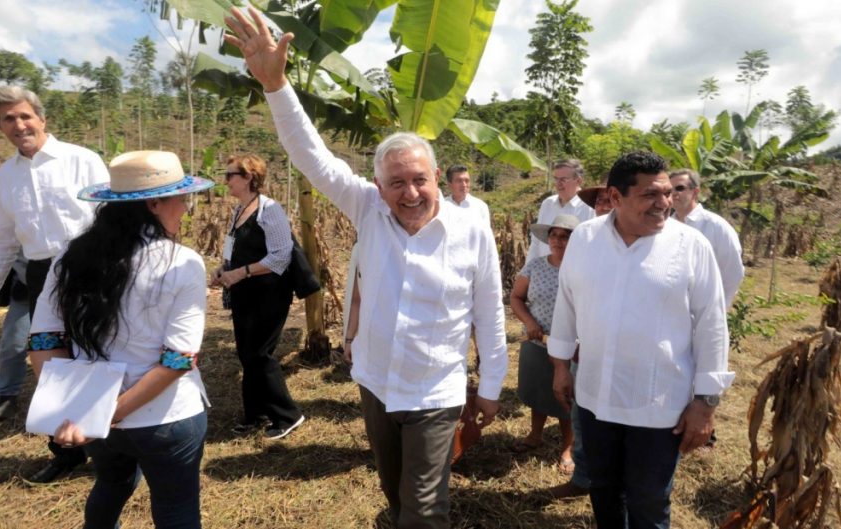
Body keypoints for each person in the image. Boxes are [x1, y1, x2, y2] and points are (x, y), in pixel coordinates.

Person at [225, 8, 508, 527]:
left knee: (424, 509)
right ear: (378, 186)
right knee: (393, 491)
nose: (411, 192)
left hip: (436, 391)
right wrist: (276, 85)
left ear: (438, 176)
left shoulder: (471, 231)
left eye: (420, 179)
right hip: (376, 382)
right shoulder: (369, 210)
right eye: (396, 183)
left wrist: (491, 384)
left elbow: (488, 312)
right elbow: (313, 156)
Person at [549, 151, 734, 528]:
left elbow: (712, 324)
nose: (664, 203)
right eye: (651, 195)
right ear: (616, 198)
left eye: (667, 193)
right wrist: (560, 367)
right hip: (595, 397)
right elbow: (566, 304)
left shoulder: (690, 246)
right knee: (604, 493)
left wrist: (706, 401)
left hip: (658, 404)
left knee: (648, 501)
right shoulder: (585, 239)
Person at [30, 150, 213, 529]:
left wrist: (77, 412)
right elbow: (179, 359)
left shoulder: (70, 256)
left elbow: (45, 339)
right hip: (165, 418)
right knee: (176, 509)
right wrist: (110, 412)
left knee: (110, 485)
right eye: (181, 198)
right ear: (154, 203)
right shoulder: (183, 262)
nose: (185, 208)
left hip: (96, 423)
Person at [0, 85, 109, 483]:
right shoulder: (4, 178)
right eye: (8, 119)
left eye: (24, 116)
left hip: (91, 267)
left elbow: (111, 214)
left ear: (42, 118)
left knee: (100, 355)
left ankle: (112, 450)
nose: (18, 125)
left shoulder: (81, 160)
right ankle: (65, 454)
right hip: (39, 273)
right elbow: (2, 241)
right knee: (51, 366)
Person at [212, 154, 305, 440]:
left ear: (249, 177)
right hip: (244, 293)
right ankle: (255, 414)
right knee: (246, 353)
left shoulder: (270, 210)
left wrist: (241, 272)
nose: (226, 180)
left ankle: (288, 414)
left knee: (259, 354)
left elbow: (280, 256)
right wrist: (223, 268)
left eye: (230, 175)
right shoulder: (238, 211)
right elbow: (232, 246)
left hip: (269, 294)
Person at [547, 186, 613, 500]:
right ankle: (583, 478)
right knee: (581, 417)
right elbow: (568, 299)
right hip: (584, 350)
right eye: (598, 201)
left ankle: (612, 488)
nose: (603, 206)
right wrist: (562, 360)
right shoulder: (585, 240)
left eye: (607, 200)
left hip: (624, 354)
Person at [510, 214, 581, 473]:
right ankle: (535, 435)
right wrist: (529, 323)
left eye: (565, 236)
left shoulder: (583, 269)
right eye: (554, 235)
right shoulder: (535, 267)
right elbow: (516, 297)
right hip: (538, 342)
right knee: (539, 391)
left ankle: (568, 448)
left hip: (570, 346)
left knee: (566, 397)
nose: (558, 240)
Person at [669, 168, 745, 304]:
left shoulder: (716, 226)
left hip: (705, 307)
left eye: (680, 188)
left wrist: (720, 308)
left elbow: (733, 272)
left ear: (695, 192)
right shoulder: (665, 226)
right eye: (669, 190)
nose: (674, 194)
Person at [0, 255, 30, 421]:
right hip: (27, 287)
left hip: (69, 286)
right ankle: (7, 395)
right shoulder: (12, 228)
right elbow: (1, 250)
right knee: (14, 342)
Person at [526, 159, 594, 262]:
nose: (558, 184)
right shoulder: (548, 203)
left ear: (579, 181)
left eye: (563, 180)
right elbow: (536, 242)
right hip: (544, 271)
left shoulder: (589, 206)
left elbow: (591, 245)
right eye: (556, 179)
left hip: (574, 272)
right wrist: (528, 270)